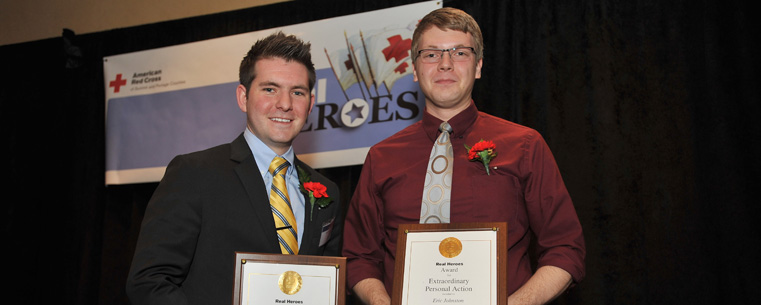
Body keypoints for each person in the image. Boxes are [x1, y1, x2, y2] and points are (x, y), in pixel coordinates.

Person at [342, 8, 585, 305]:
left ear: (479, 65)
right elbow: (358, 257)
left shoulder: (525, 145)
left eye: (459, 52)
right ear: (415, 69)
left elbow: (565, 248)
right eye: (431, 54)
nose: (445, 64)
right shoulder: (381, 157)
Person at [126, 32, 343, 305]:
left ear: (310, 104)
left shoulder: (327, 192)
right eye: (269, 89)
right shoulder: (195, 173)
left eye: (297, 92)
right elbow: (150, 281)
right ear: (243, 97)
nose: (285, 104)